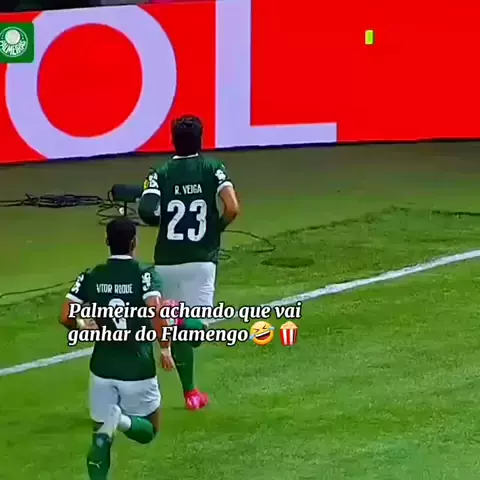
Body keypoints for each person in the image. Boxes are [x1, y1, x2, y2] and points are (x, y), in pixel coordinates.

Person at [138, 115, 240, 410]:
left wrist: (164, 219)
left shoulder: (159, 173)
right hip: (200, 260)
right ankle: (179, 317)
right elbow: (232, 207)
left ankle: (190, 392)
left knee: (177, 332)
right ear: (201, 139)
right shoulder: (212, 167)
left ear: (172, 140)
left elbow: (146, 210)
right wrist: (215, 230)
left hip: (166, 260)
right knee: (196, 330)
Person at [60, 218, 174, 480]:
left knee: (100, 438)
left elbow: (65, 316)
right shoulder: (145, 274)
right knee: (150, 431)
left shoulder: (92, 275)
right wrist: (165, 348)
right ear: (134, 242)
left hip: (102, 369)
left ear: (107, 242)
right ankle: (121, 420)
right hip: (137, 368)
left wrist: (81, 325)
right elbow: (156, 311)